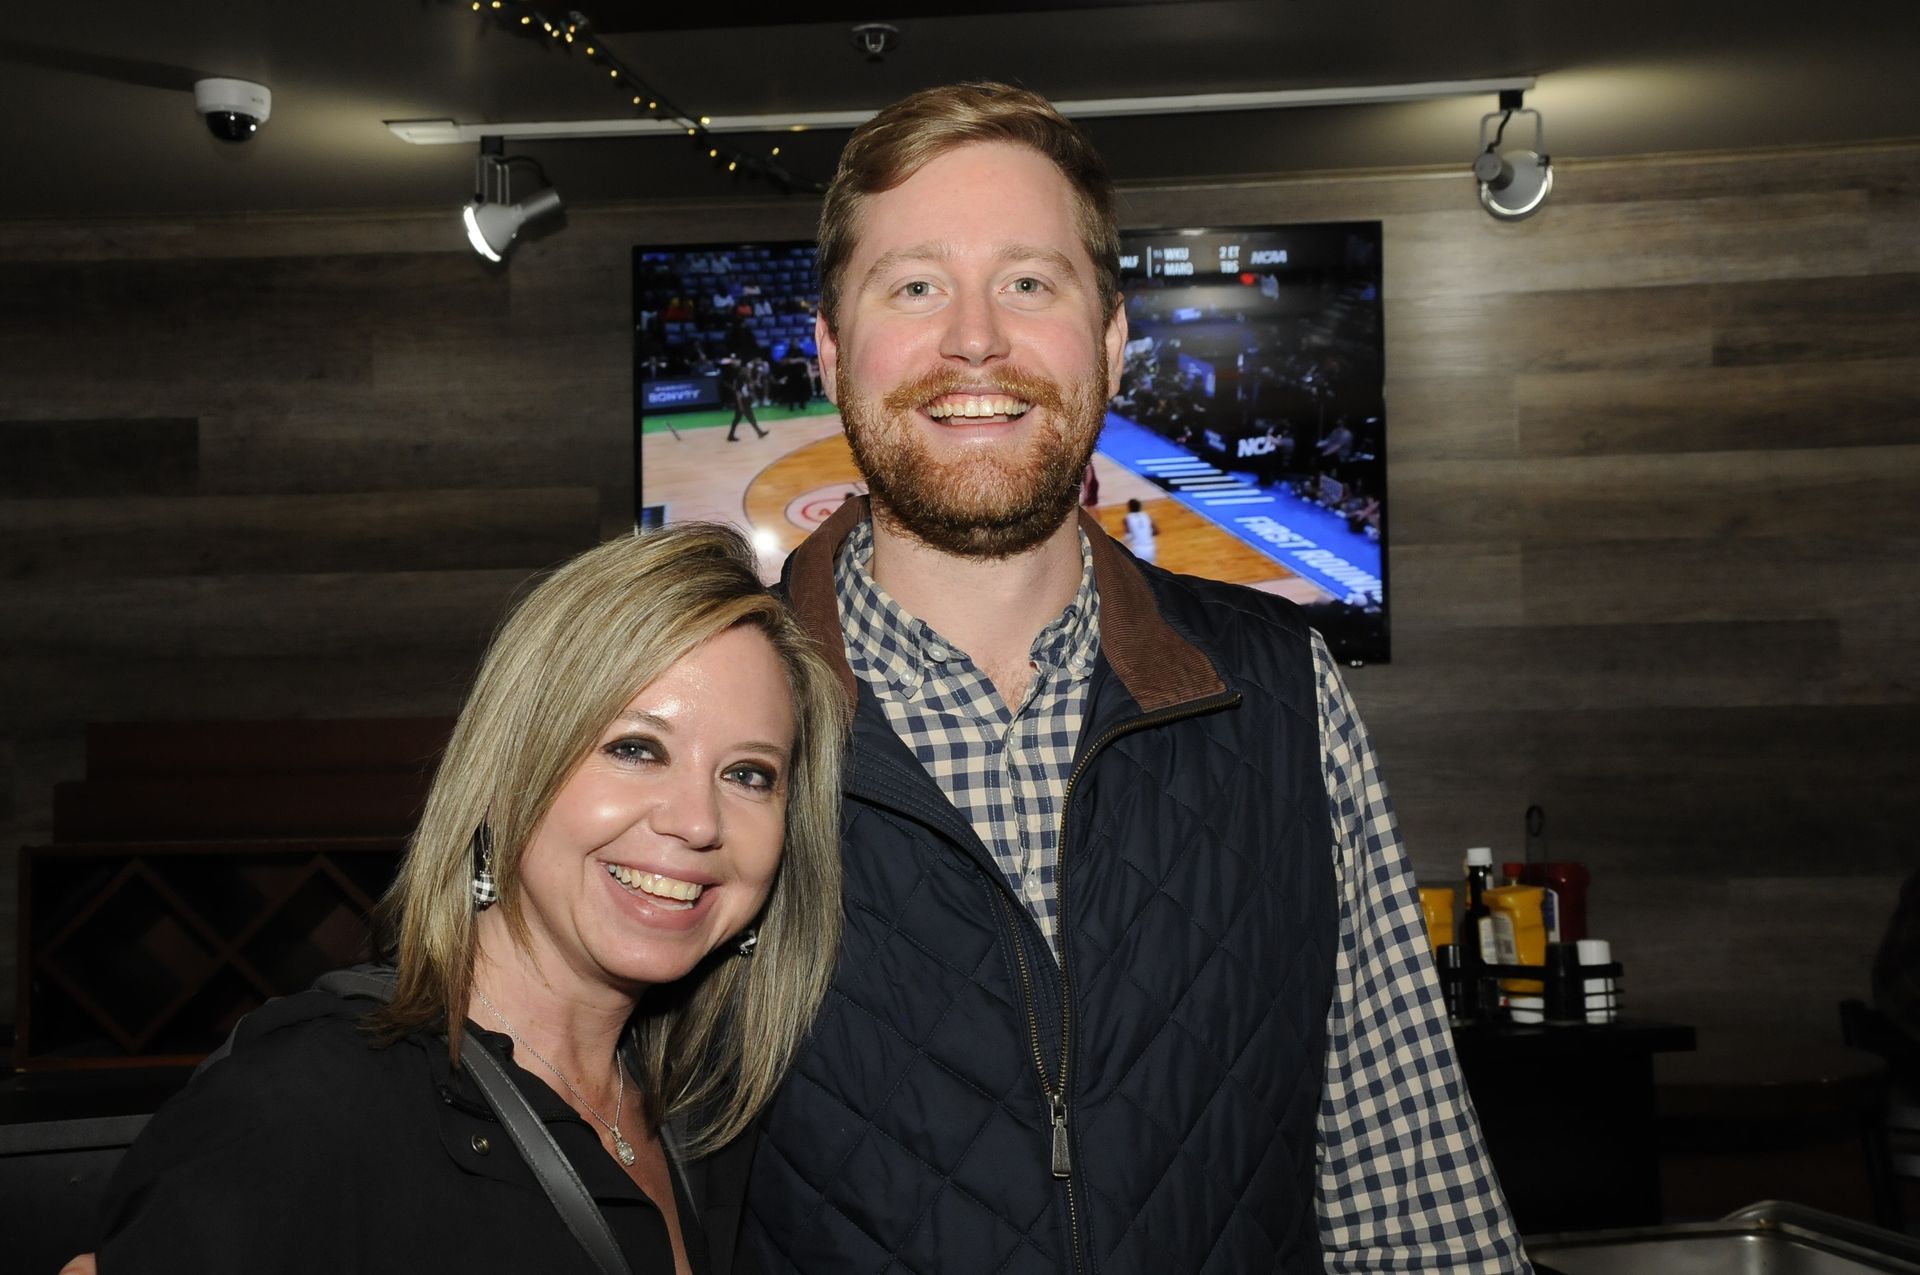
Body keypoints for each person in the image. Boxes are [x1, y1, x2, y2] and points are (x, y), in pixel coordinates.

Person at [741, 82, 1530, 1273]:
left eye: (1029, 282)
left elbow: (1401, 1183)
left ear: (1111, 340)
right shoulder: (702, 712)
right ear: (831, 349)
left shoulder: (1282, 692)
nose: (974, 338)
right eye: (915, 285)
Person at [91, 524, 847, 1274]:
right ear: (507, 775)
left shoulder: (700, 1117)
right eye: (635, 748)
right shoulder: (307, 1105)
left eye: (749, 774)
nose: (697, 821)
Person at [1122, 496, 1158, 563]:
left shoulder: (1127, 518)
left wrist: (1121, 544)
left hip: (1138, 549)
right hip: (1151, 548)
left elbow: (1128, 536)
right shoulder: (1147, 516)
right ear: (1140, 507)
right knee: (1152, 571)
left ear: (1129, 507)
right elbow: (1156, 531)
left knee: (1138, 571)